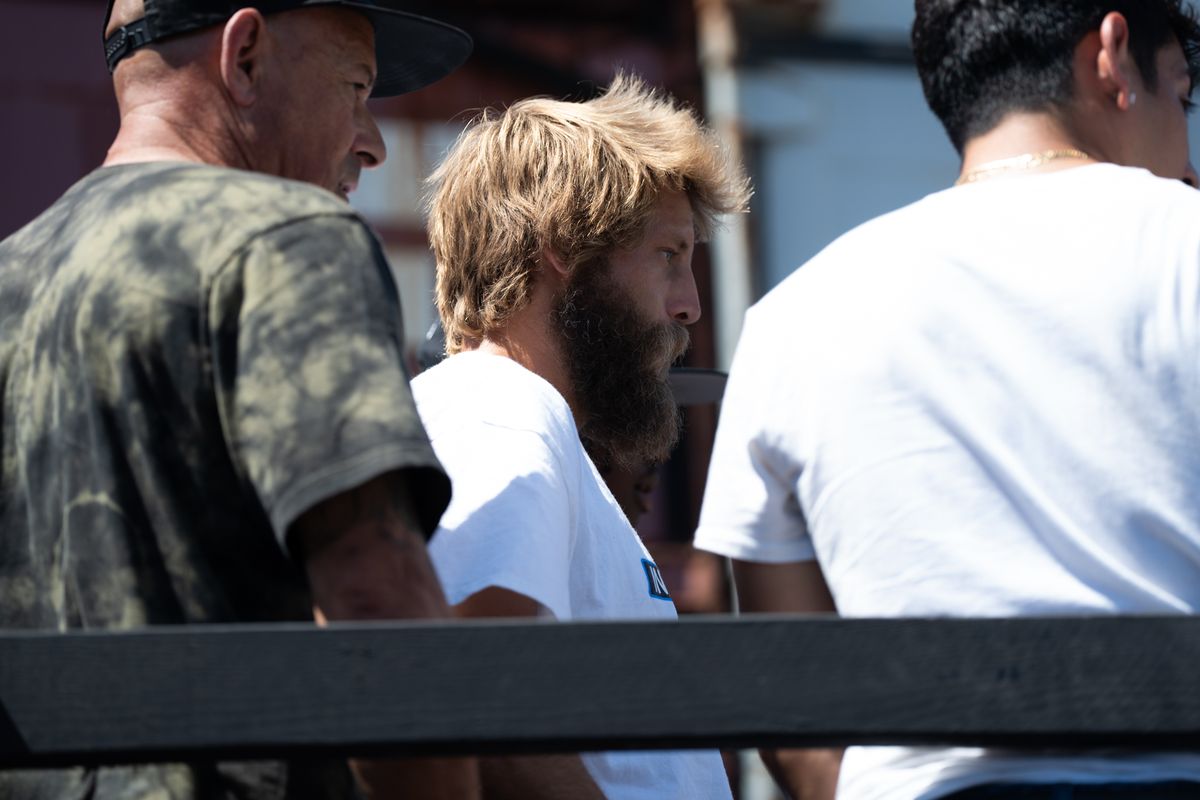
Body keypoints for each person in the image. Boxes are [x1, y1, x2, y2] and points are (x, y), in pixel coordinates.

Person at [694, 1, 1200, 798]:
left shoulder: (791, 317)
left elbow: (787, 699)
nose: (1187, 143)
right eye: (1183, 93)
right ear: (1111, 54)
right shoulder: (1184, 240)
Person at [0, 1, 478, 798]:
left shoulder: (11, 278)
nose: (373, 140)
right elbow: (373, 600)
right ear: (246, 54)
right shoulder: (292, 240)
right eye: (356, 87)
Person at [416, 74, 750, 798]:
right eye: (669, 254)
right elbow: (476, 696)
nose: (690, 304)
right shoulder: (497, 407)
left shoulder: (525, 422)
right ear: (562, 245)